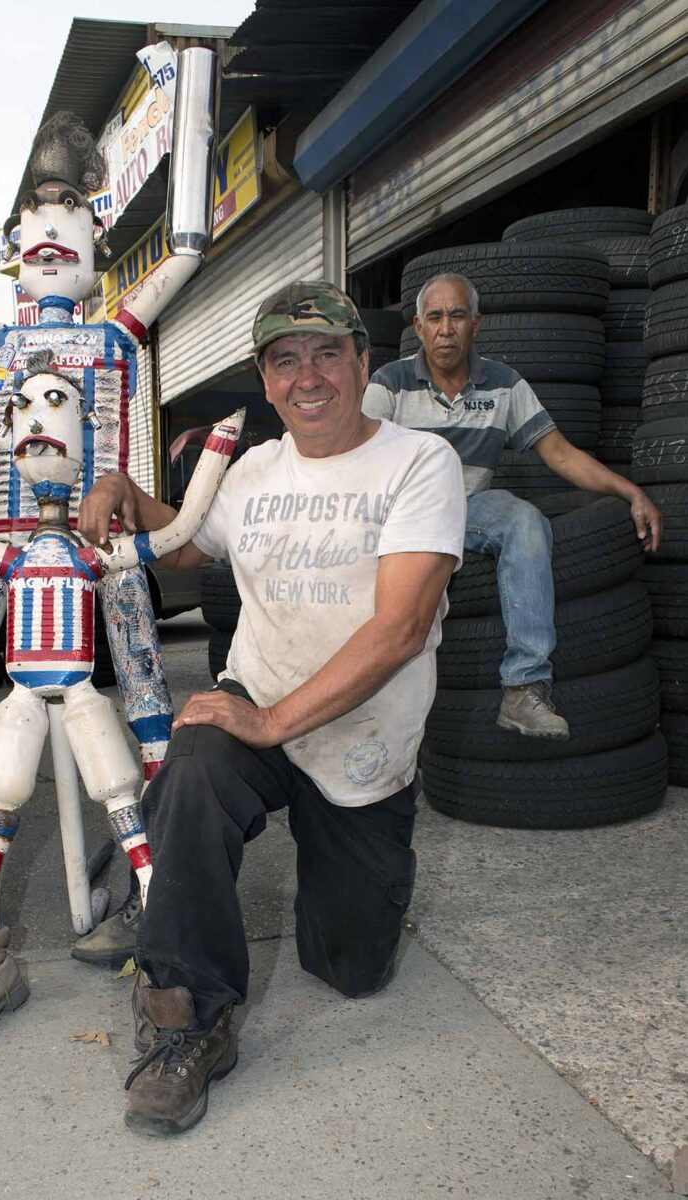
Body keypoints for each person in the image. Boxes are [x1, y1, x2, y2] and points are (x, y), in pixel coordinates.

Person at [77, 280, 467, 1136]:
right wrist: (125, 494)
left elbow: (400, 629)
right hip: (257, 695)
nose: (308, 376)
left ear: (363, 362)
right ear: (264, 380)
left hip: (362, 737)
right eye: (284, 360)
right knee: (189, 775)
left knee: (351, 970)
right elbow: (183, 546)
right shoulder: (253, 470)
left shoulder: (419, 463)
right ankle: (187, 1016)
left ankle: (339, 896)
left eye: (327, 353)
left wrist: (272, 723)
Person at [363, 272, 663, 739]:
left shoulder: (504, 384)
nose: (446, 329)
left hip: (468, 509)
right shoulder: (389, 384)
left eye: (457, 316)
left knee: (524, 518)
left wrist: (631, 492)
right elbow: (357, 461)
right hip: (403, 516)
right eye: (435, 318)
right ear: (418, 328)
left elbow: (560, 454)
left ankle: (524, 687)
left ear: (476, 323)